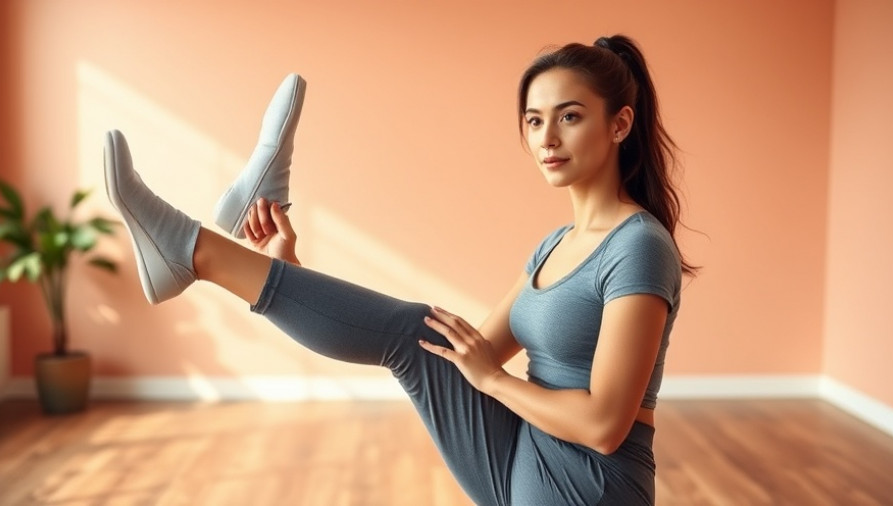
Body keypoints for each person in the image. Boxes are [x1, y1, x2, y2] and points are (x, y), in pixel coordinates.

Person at [104, 34, 691, 505]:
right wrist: (293, 274)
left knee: (419, 333)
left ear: (619, 125)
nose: (546, 138)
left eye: (569, 117)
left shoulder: (638, 246)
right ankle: (198, 255)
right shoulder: (554, 245)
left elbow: (604, 426)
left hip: (589, 482)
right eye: (534, 121)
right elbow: (461, 357)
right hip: (524, 448)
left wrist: (495, 382)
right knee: (422, 335)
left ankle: (194, 252)